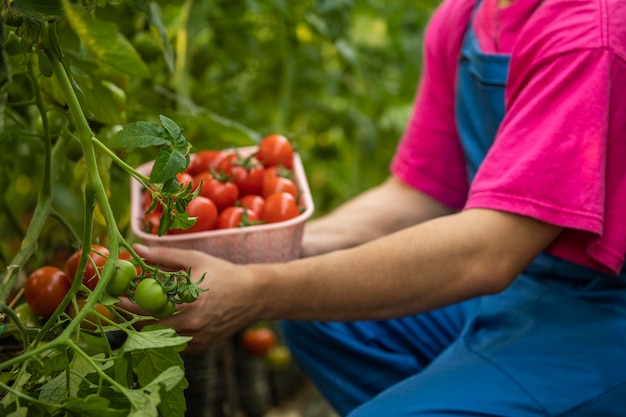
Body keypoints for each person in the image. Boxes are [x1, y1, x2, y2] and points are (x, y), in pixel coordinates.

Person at [124, 0, 626, 415]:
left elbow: (488, 252)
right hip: (523, 290)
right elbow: (420, 192)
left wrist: (255, 291)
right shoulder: (469, 15)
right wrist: (264, 246)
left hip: (599, 318)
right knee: (319, 312)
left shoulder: (588, 36)